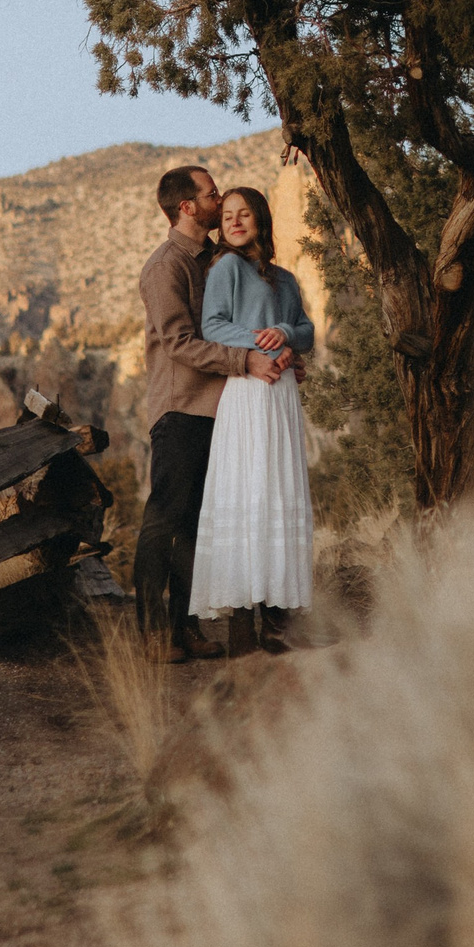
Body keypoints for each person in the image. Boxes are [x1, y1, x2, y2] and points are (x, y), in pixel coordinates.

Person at [135, 165, 286, 662]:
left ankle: (187, 628)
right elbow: (179, 343)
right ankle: (154, 633)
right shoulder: (166, 266)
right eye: (211, 193)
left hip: (225, 409)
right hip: (181, 408)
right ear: (187, 207)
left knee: (199, 523)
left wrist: (279, 355)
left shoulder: (219, 260)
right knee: (164, 519)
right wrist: (245, 360)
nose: (219, 200)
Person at [187, 185, 315, 653]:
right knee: (250, 490)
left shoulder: (285, 278)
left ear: (261, 217)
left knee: (278, 490)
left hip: (280, 396)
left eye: (244, 213)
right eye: (227, 215)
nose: (235, 221)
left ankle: (278, 622)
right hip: (247, 391)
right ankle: (245, 624)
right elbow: (213, 325)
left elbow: (307, 331)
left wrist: (285, 334)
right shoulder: (226, 267)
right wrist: (263, 344)